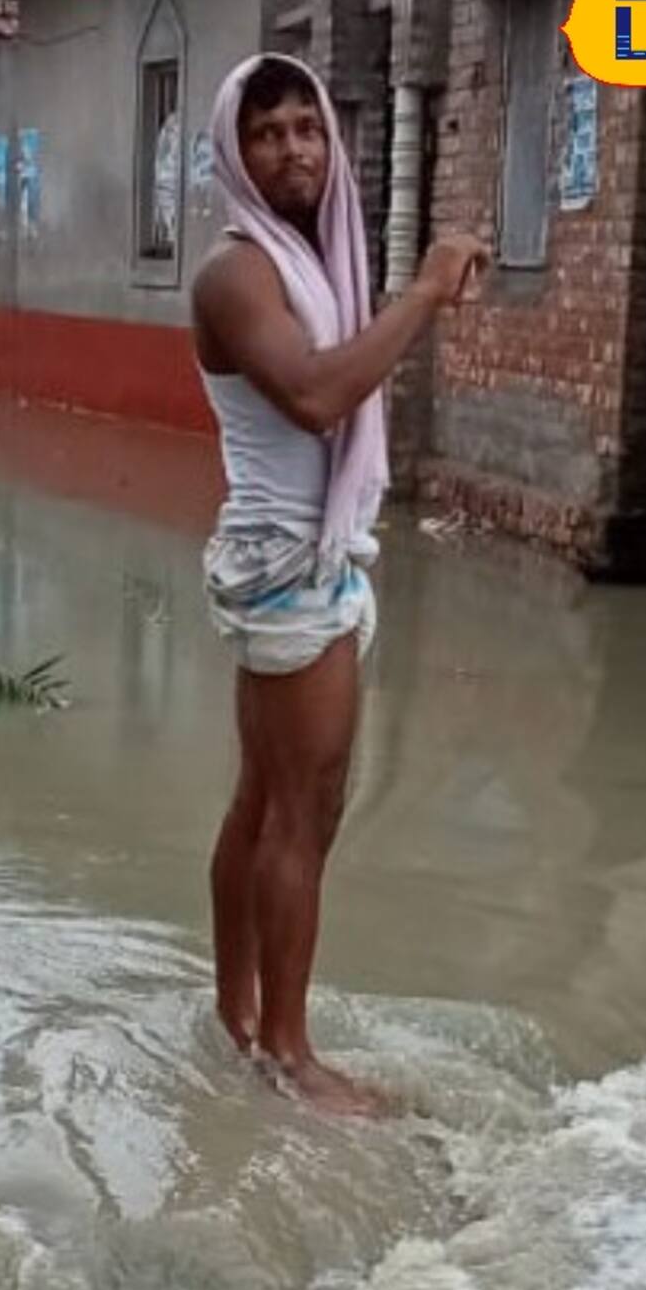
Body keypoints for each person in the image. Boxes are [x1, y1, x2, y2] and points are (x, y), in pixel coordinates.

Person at [190, 54, 489, 1115]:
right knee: (303, 815)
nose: (292, 149)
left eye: (305, 127)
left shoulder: (307, 265)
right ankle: (288, 1053)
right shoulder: (236, 273)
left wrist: (407, 292)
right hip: (288, 570)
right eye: (266, 133)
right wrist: (421, 293)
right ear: (236, 152)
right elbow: (317, 396)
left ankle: (238, 1018)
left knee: (265, 800)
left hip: (295, 560)